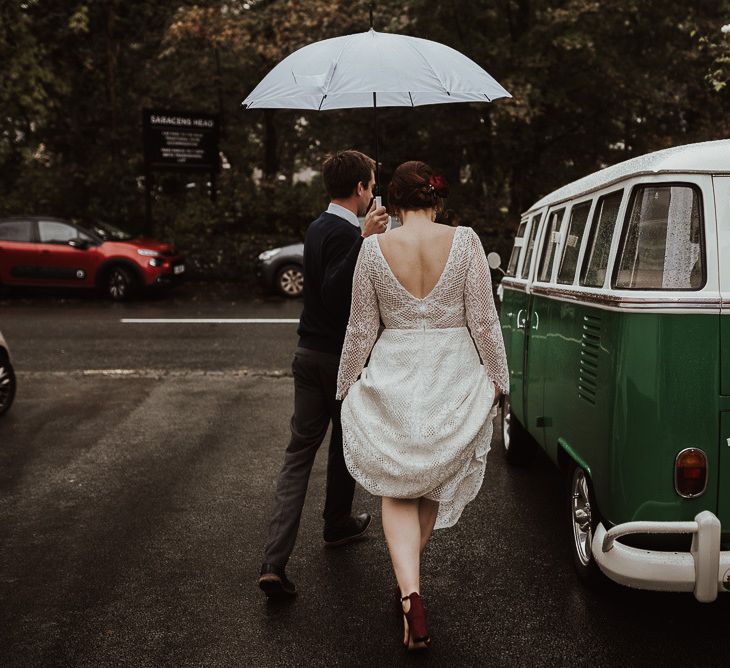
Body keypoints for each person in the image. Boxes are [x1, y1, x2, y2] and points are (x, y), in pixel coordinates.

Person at [335, 161, 509, 649]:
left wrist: (346, 384)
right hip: (451, 374)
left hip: (396, 372)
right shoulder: (467, 240)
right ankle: (409, 587)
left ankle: (410, 590)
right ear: (437, 199)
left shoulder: (372, 249)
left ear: (391, 201)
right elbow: (484, 320)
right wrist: (499, 377)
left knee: (396, 488)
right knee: (432, 477)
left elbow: (360, 327)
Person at [258, 150, 390, 599]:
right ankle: (333, 524)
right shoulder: (343, 233)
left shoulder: (319, 226)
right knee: (343, 442)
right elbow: (336, 293)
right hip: (336, 359)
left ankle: (277, 558)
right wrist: (365, 241)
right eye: (372, 184)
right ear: (359, 189)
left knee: (302, 454)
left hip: (306, 355)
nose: (374, 192)